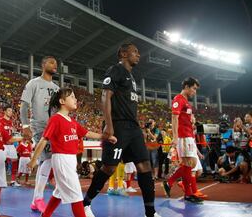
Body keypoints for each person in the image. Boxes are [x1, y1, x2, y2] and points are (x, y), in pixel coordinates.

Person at [83, 43, 160, 217]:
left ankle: (151, 212)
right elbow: (105, 97)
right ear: (124, 54)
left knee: (145, 166)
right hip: (118, 126)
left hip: (133, 128)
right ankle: (85, 203)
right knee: (109, 168)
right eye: (135, 52)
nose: (138, 55)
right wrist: (109, 125)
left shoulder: (132, 78)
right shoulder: (115, 70)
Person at [28, 88, 117, 217]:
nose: (76, 99)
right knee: (76, 195)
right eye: (72, 97)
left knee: (59, 192)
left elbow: (87, 133)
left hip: (69, 160)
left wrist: (106, 136)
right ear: (62, 101)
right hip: (61, 159)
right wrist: (33, 160)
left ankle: (45, 215)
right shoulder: (56, 119)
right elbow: (43, 139)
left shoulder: (72, 121)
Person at [20, 56, 59, 212]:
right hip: (39, 126)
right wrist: (25, 125)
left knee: (48, 160)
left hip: (54, 126)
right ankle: (38, 198)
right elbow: (24, 106)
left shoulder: (56, 88)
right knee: (48, 159)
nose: (55, 65)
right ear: (43, 65)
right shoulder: (33, 83)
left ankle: (36, 200)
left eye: (56, 63)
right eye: (51, 62)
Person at [162, 77, 204, 204]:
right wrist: (175, 137)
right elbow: (174, 118)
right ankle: (187, 193)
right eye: (194, 89)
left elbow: (185, 118)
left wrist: (191, 120)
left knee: (189, 164)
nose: (195, 92)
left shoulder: (186, 102)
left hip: (189, 136)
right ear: (186, 86)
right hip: (183, 136)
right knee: (189, 163)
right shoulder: (178, 99)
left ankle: (171, 183)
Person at [0, 106, 19, 186]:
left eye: (11, 111)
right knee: (0, 163)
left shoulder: (11, 122)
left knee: (15, 160)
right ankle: (1, 181)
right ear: (4, 111)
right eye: (9, 110)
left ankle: (13, 181)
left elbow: (11, 134)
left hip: (10, 145)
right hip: (3, 144)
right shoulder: (0, 121)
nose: (11, 112)